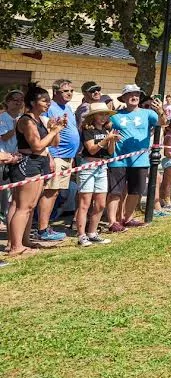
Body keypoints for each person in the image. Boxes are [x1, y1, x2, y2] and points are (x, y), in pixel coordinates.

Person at [8, 84, 68, 256]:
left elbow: (54, 143)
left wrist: (56, 130)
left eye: (49, 101)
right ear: (33, 102)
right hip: (28, 164)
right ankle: (15, 247)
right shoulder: (26, 121)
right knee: (23, 207)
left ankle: (24, 241)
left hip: (38, 163)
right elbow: (37, 146)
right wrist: (54, 131)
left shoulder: (40, 120)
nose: (48, 104)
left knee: (31, 206)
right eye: (44, 101)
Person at [105, 83, 163, 232]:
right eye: (130, 94)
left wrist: (161, 111)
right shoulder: (115, 115)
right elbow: (103, 127)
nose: (134, 97)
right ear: (123, 98)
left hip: (140, 159)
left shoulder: (148, 113)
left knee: (136, 191)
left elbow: (162, 123)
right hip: (118, 159)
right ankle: (112, 222)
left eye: (137, 94)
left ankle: (128, 218)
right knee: (115, 192)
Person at [37, 79, 78, 241]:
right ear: (55, 92)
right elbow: (44, 132)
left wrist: (73, 156)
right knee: (50, 192)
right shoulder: (49, 108)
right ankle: (42, 229)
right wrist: (50, 157)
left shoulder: (67, 107)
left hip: (68, 156)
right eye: (65, 91)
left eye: (71, 91)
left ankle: (46, 226)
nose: (69, 93)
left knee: (56, 192)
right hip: (56, 155)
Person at [74, 103, 118, 246]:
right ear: (93, 116)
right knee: (85, 203)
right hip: (88, 166)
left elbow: (110, 152)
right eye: (101, 114)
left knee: (100, 204)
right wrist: (106, 139)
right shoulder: (88, 130)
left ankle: (92, 233)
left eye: (106, 115)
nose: (104, 117)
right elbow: (91, 149)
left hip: (102, 166)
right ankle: (81, 235)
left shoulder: (107, 130)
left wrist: (112, 140)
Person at [0, 89, 23, 227]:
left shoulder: (22, 117)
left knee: (12, 194)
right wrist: (16, 127)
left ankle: (9, 220)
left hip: (17, 158)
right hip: (3, 159)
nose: (18, 102)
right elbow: (4, 137)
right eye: (15, 99)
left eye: (21, 100)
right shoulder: (2, 118)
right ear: (8, 102)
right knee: (3, 192)